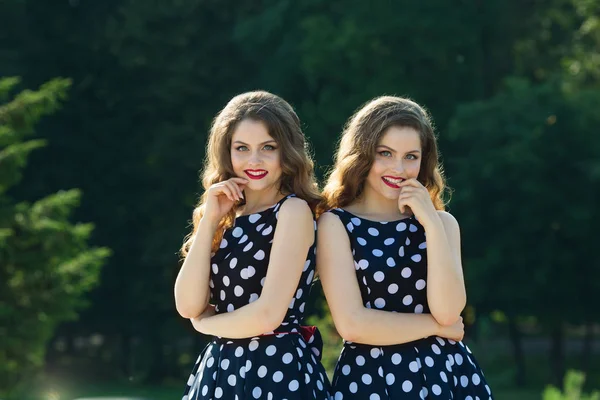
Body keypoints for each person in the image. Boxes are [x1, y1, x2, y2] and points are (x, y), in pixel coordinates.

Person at [317, 96, 493, 399]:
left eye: (411, 156)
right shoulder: (335, 224)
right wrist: (435, 327)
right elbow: (353, 324)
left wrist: (431, 223)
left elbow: (449, 312)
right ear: (362, 155)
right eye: (385, 153)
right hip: (371, 380)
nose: (398, 168)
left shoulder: (443, 224)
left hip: (447, 377)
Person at [175, 91, 332, 400]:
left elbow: (267, 315)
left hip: (276, 370)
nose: (254, 161)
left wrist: (207, 324)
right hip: (220, 372)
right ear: (226, 153)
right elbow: (187, 304)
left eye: (267, 148)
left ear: (286, 152)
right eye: (242, 148)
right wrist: (209, 220)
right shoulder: (224, 216)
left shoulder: (293, 210)